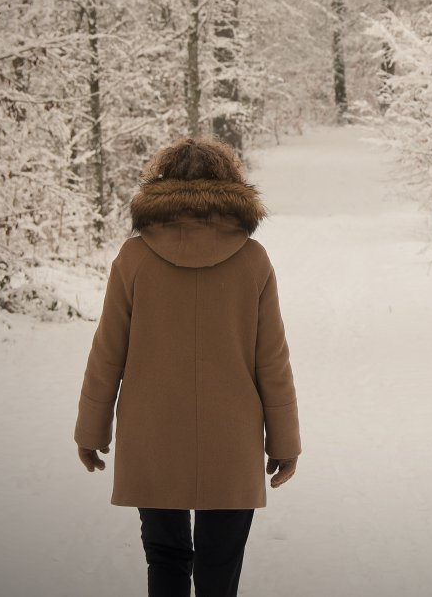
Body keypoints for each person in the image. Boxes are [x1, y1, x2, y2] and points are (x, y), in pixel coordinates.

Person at [74, 136, 301, 597]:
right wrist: (285, 442)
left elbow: (107, 354)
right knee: (220, 572)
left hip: (153, 435)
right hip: (230, 438)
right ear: (231, 184)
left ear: (161, 185)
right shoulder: (253, 261)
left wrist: (91, 432)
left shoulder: (133, 258)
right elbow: (272, 362)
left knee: (166, 559)